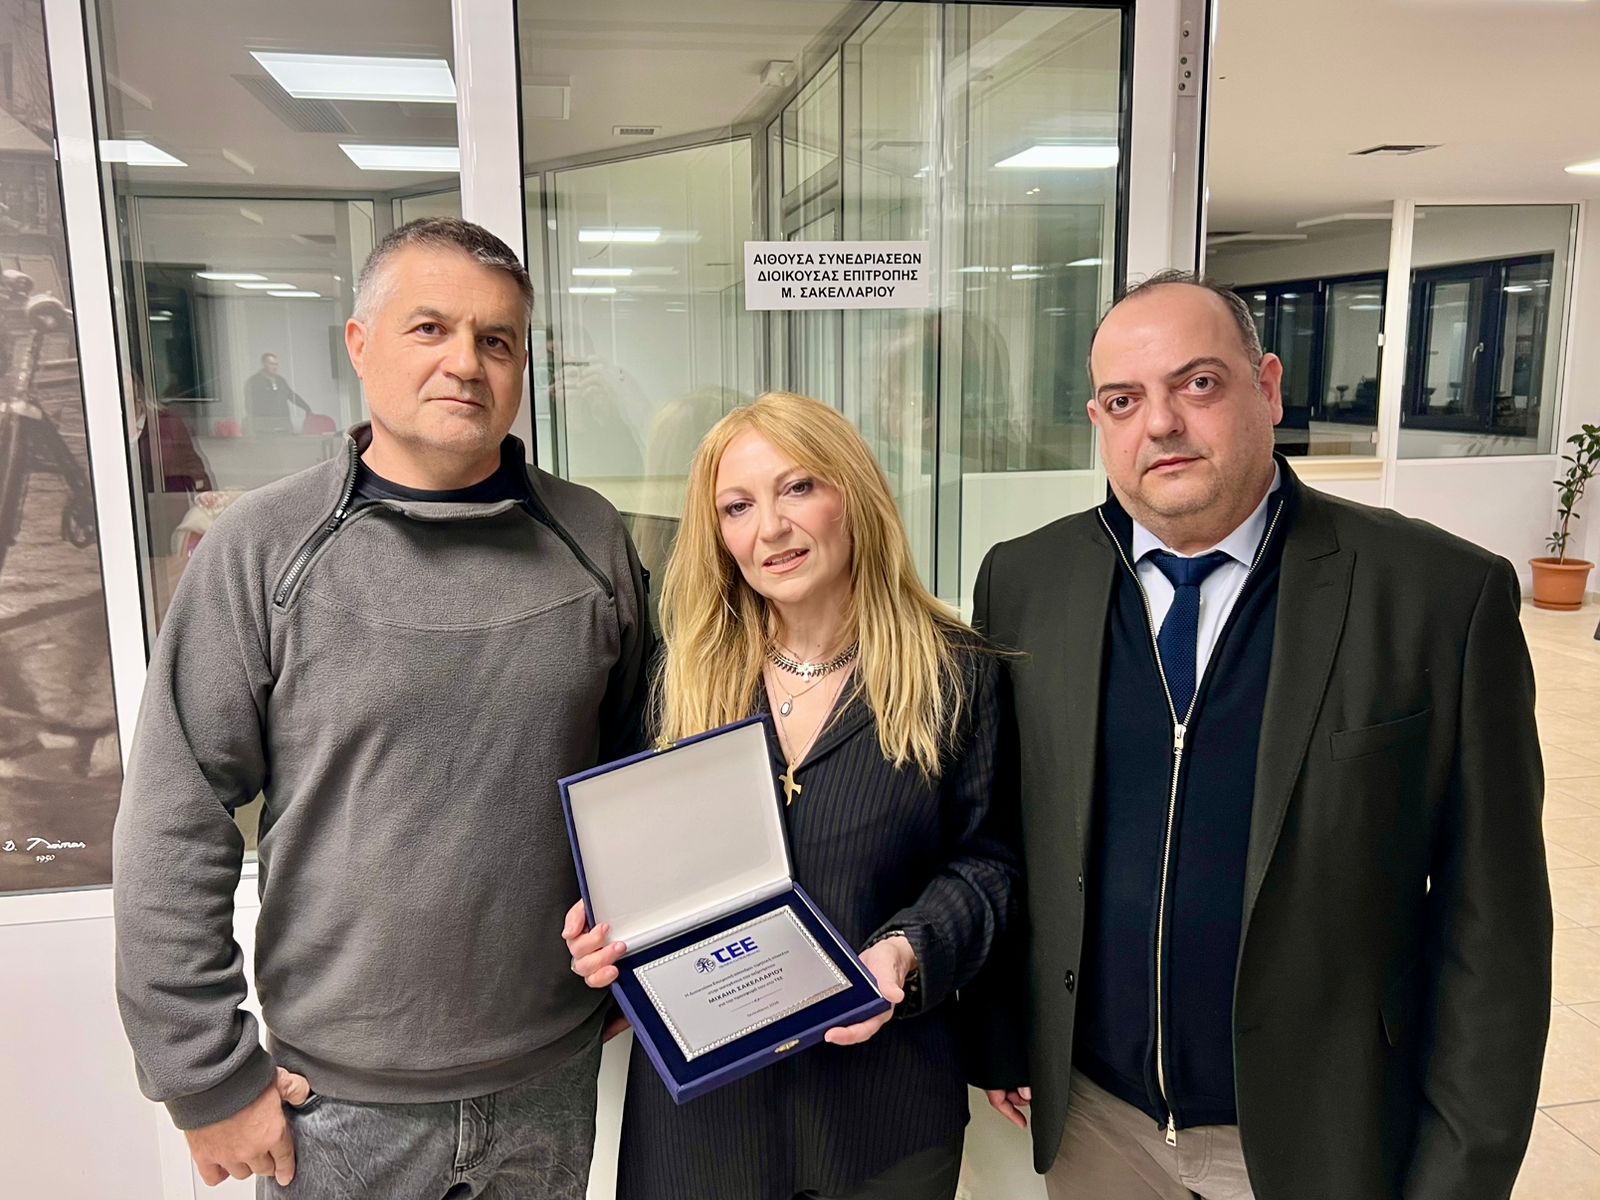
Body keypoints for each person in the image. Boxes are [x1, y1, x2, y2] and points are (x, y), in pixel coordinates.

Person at [967, 270, 1551, 1199]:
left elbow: (1497, 928)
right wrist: (1005, 1032)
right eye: (1124, 400)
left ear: (1268, 388)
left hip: (1313, 1134)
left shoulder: (1437, 597)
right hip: (1096, 1125)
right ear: (1098, 420)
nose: (1160, 423)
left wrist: (1460, 1176)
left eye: (1196, 383)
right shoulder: (1026, 581)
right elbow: (1004, 831)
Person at [112, 217, 654, 1198]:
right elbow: (174, 816)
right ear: (360, 345)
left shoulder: (591, 538)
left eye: (496, 340)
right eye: (430, 328)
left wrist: (642, 952)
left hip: (552, 1077)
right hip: (336, 1105)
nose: (466, 363)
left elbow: (633, 771)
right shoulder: (262, 550)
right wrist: (205, 1074)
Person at [564, 390, 1018, 1200]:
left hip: (884, 1114)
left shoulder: (954, 672)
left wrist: (904, 953)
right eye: (737, 507)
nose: (769, 528)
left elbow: (987, 865)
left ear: (855, 495)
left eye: (798, 488)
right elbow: (634, 866)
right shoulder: (678, 677)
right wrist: (603, 930)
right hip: (704, 1124)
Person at [245, 352, 313, 434]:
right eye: (272, 364)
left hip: (284, 426)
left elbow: (291, 395)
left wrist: (306, 408)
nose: (275, 367)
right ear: (264, 364)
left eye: (276, 364)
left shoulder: (280, 380)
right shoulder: (254, 381)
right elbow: (249, 405)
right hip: (265, 429)